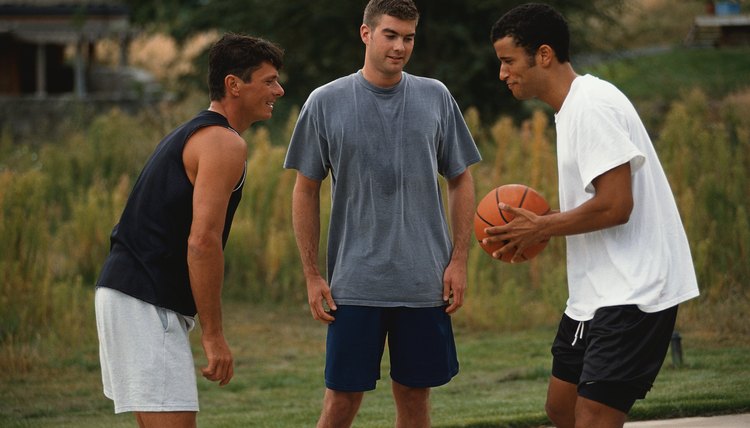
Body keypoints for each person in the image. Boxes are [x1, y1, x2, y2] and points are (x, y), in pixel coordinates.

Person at [486, 4, 699, 427]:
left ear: (543, 54)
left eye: (509, 61)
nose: (502, 73)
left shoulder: (593, 106)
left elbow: (616, 205)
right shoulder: (571, 109)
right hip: (595, 294)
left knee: (593, 417)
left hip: (634, 290)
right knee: (561, 408)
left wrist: (540, 226)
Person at [284, 0, 481, 426]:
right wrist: (312, 274)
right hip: (354, 285)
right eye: (390, 34)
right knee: (341, 401)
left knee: (414, 398)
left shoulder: (436, 96)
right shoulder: (325, 101)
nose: (400, 46)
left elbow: (461, 179)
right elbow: (305, 189)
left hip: (423, 283)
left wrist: (459, 260)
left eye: (409, 37)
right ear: (366, 33)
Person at [94, 34, 284, 428]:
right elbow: (202, 242)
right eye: (268, 81)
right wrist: (213, 336)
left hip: (127, 293)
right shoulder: (222, 143)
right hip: (144, 300)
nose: (278, 91)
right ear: (234, 84)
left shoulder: (199, 132)